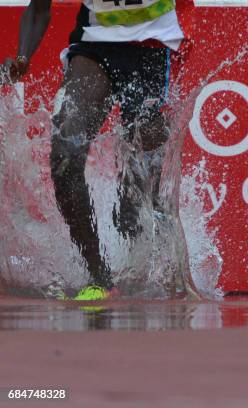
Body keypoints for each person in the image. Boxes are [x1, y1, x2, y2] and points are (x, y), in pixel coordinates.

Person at [2, 0, 185, 300]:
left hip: (157, 43)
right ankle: (99, 278)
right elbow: (38, 8)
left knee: (142, 180)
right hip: (95, 43)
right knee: (64, 155)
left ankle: (157, 268)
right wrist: (23, 57)